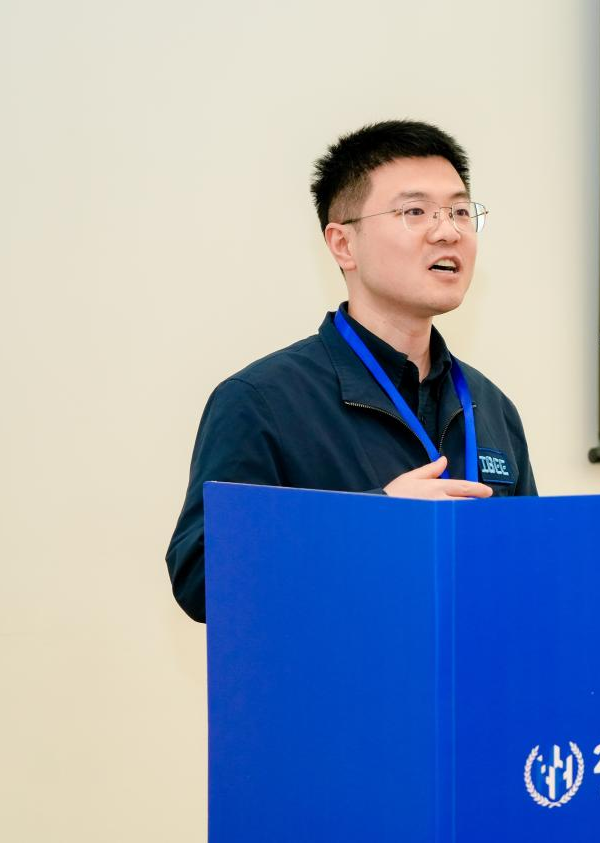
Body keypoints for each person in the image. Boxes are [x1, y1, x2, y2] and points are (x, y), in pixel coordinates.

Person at [166, 120, 537, 622]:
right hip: (340, 670)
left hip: (477, 670)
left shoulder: (490, 406)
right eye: (414, 211)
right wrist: (374, 522)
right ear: (343, 244)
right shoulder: (262, 400)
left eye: (459, 211)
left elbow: (531, 567)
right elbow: (201, 578)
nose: (448, 231)